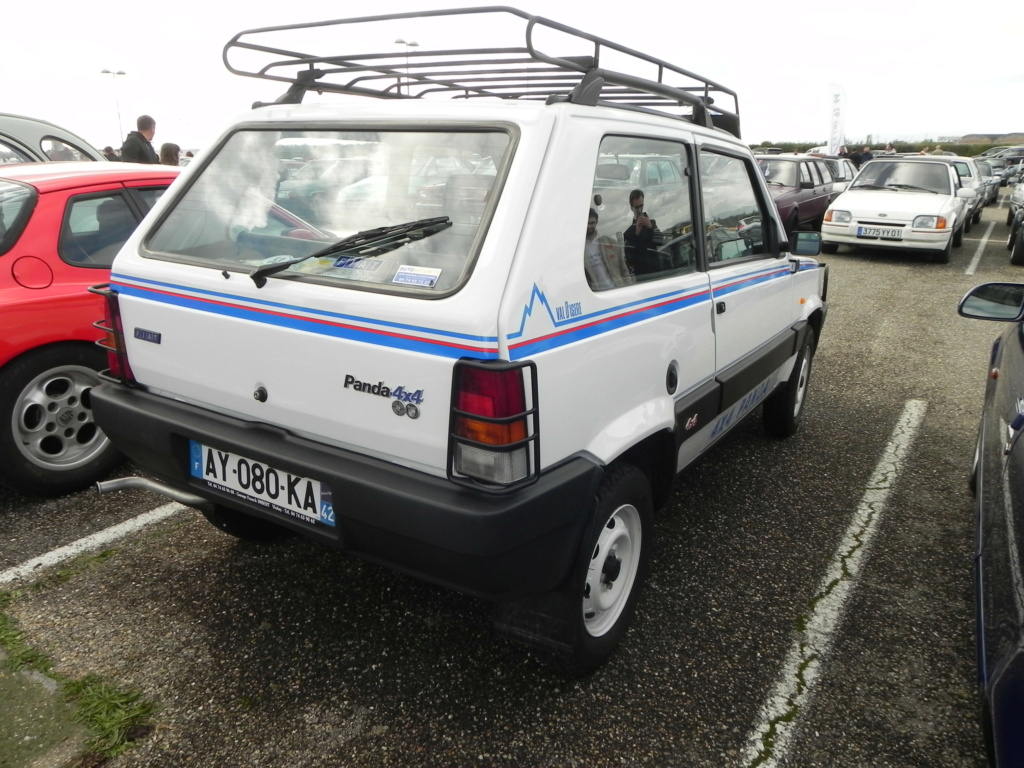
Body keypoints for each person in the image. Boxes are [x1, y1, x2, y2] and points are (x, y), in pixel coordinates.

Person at [584, 208, 632, 290]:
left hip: (618, 290)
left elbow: (624, 271)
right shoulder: (579, 250)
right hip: (597, 296)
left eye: (592, 223)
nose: (589, 226)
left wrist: (630, 290)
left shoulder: (611, 243)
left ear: (597, 222)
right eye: (586, 223)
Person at [622, 189, 662, 277]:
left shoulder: (652, 223)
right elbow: (629, 257)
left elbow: (661, 241)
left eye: (641, 206)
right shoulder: (628, 233)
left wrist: (651, 227)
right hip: (642, 276)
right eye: (637, 207)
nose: (640, 210)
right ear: (632, 208)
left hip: (657, 272)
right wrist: (636, 233)